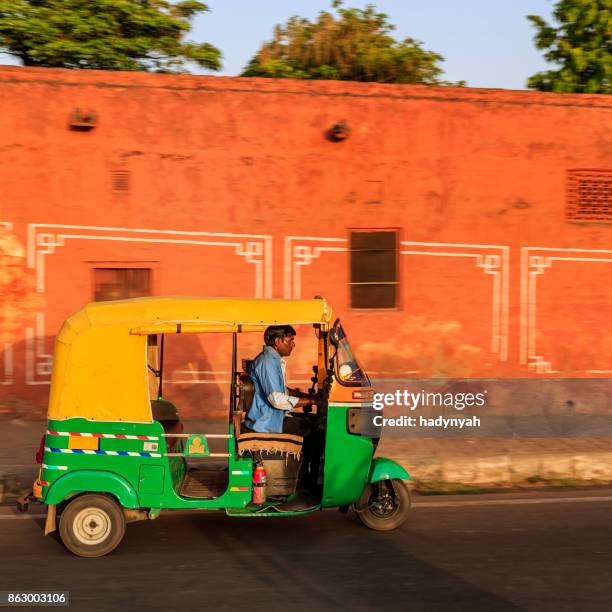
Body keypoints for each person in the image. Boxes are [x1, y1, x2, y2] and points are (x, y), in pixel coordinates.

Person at [245, 325, 314, 435]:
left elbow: (283, 391)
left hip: (275, 418)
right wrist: (312, 401)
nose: (293, 344)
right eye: (290, 340)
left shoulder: (273, 360)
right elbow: (277, 399)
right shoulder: (267, 362)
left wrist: (307, 397)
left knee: (312, 420)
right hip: (266, 423)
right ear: (277, 341)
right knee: (315, 430)